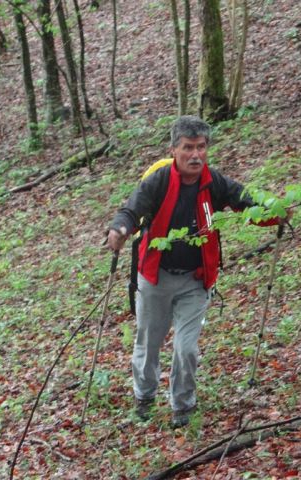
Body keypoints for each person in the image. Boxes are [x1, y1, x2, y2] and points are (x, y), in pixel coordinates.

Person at [107, 115, 282, 427]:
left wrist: (275, 213)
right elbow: (132, 209)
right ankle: (144, 397)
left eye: (201, 147)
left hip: (195, 280)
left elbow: (246, 202)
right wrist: (120, 229)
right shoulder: (158, 181)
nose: (195, 155)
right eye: (188, 148)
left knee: (186, 348)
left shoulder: (214, 182)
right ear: (174, 149)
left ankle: (182, 408)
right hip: (155, 277)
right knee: (148, 343)